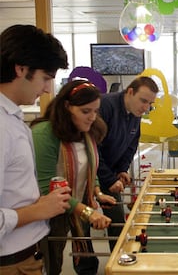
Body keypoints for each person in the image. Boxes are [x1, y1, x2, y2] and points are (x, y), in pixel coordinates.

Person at [0, 24, 71, 274]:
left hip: (26, 255)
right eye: (45, 78)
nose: (48, 89)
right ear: (21, 69)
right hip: (10, 262)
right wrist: (37, 210)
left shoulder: (12, 117)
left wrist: (38, 202)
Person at [31, 80, 115, 275]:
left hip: (75, 206)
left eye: (96, 111)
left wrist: (96, 191)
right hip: (48, 215)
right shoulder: (44, 134)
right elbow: (47, 189)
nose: (92, 118)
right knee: (51, 265)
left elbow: (87, 168)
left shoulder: (86, 132)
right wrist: (86, 212)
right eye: (86, 112)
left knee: (70, 260)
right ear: (67, 107)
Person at [97, 76, 159, 251]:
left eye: (150, 104)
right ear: (130, 92)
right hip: (90, 174)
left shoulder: (135, 112)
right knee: (83, 226)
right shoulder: (106, 106)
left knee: (116, 221)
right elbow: (93, 150)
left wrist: (122, 170)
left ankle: (119, 261)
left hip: (110, 175)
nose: (146, 108)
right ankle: (86, 269)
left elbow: (131, 144)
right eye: (143, 101)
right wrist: (109, 178)